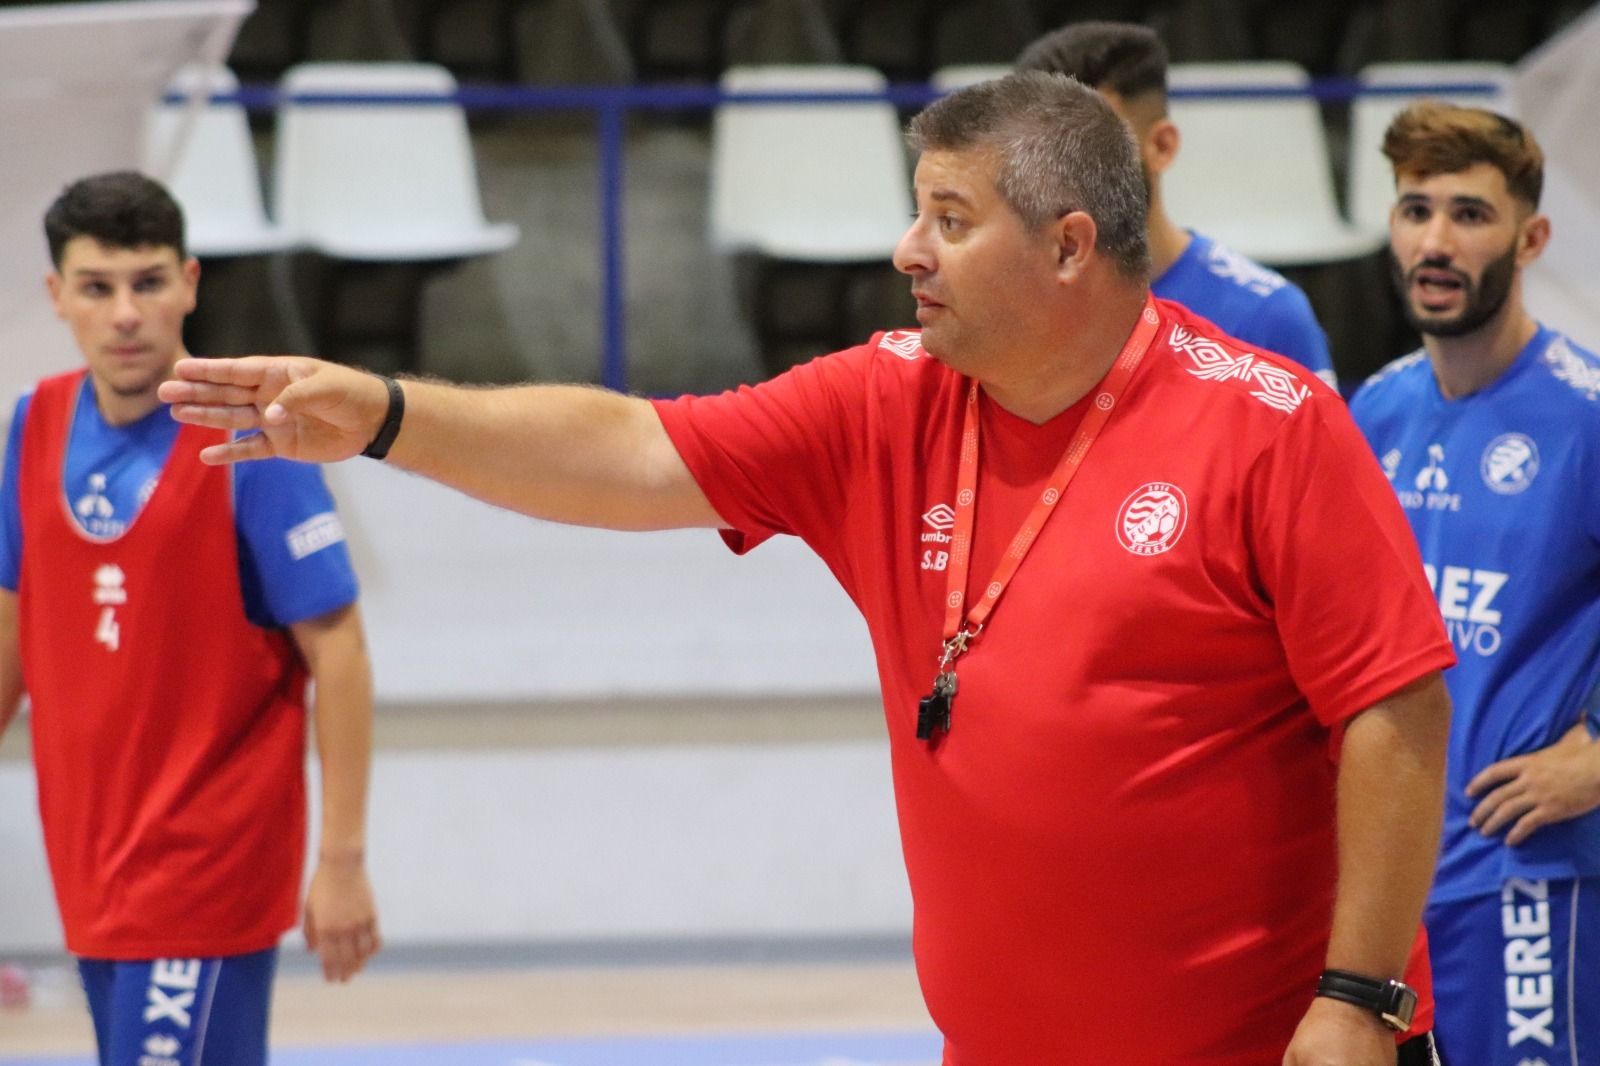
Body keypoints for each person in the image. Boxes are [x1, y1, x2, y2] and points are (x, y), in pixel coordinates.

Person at [162, 74, 1453, 1065]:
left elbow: (1395, 705)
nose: (907, 250)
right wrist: (389, 415)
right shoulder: (886, 402)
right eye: (917, 212)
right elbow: (632, 449)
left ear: (1068, 247)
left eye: (951, 220)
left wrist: (1358, 996)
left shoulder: (1269, 424)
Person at [0, 171, 381, 1066]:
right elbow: (11, 628)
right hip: (90, 869)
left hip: (208, 869)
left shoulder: (255, 436)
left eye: (148, 282)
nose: (126, 313)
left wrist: (342, 861)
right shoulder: (33, 424)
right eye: (98, 287)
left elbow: (341, 650)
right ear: (57, 295)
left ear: (190, 283)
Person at [1350, 102, 1600, 1066]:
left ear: (1530, 239)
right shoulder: (1376, 410)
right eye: (1416, 211)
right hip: (1390, 885)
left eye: (1470, 215)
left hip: (1528, 876)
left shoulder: (1583, 416)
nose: (1436, 243)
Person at [1016, 20, 1339, 388]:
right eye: (1041, 152)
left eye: (1093, 145)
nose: (1064, 171)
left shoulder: (1265, 317)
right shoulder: (1010, 307)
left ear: (1162, 146)